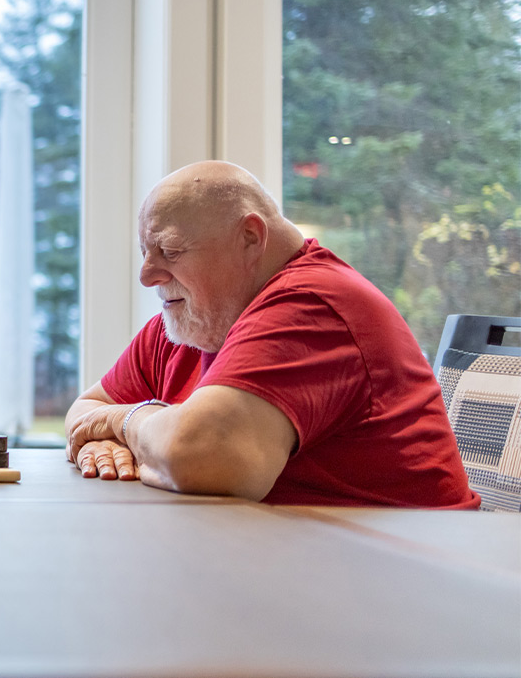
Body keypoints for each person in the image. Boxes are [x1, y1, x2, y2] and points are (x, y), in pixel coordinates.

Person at [65, 161, 477, 508]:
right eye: (145, 253)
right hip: (301, 561)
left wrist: (125, 420)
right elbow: (86, 409)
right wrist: (108, 443)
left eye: (170, 251)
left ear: (250, 238)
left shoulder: (313, 306)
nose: (147, 276)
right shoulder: (195, 318)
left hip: (405, 578)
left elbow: (207, 457)